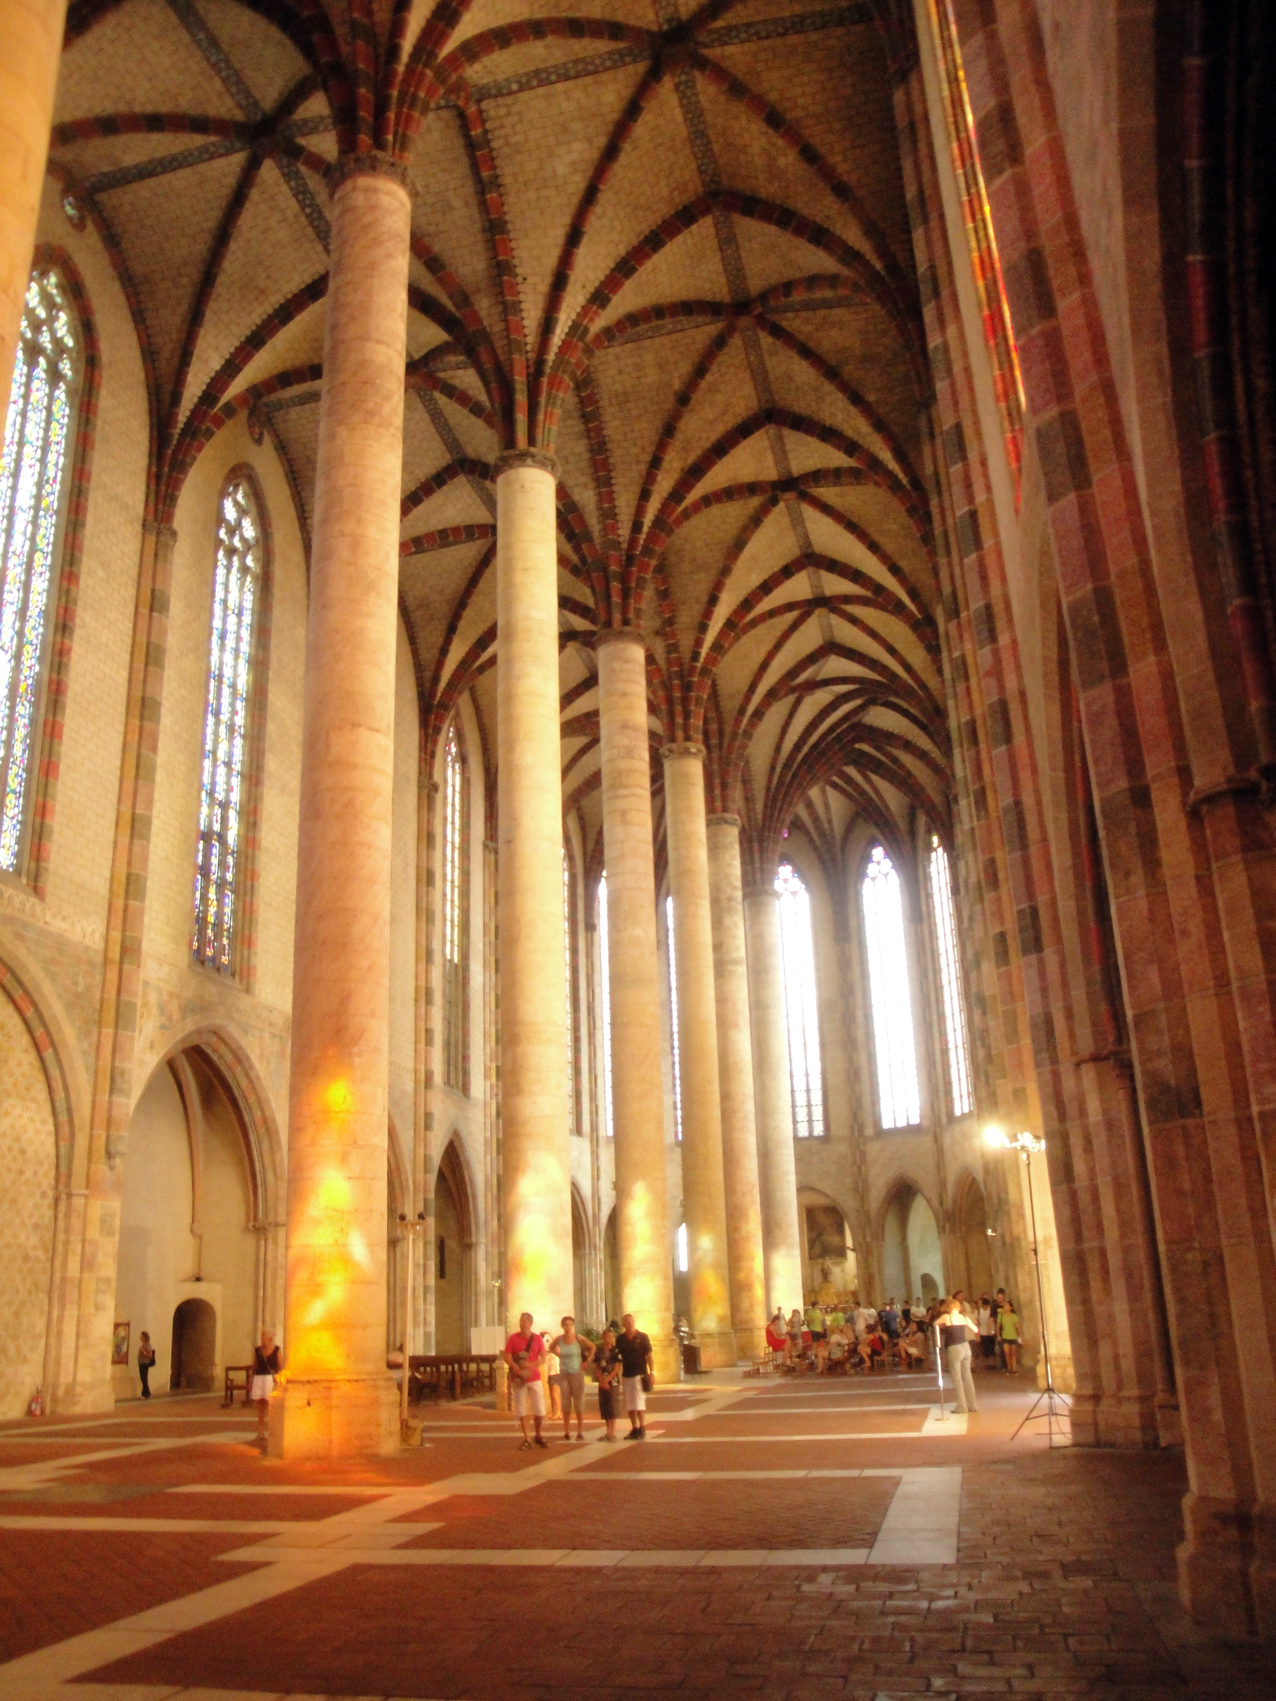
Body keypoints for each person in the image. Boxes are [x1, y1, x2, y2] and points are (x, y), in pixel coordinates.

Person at [502, 1310, 549, 1449]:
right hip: (519, 1378)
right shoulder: (513, 1338)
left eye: (524, 1321)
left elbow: (543, 1357)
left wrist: (531, 1365)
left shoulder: (537, 1339)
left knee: (540, 1409)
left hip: (533, 1377)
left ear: (530, 1323)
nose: (521, 1323)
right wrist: (515, 1368)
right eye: (520, 1321)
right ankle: (527, 1438)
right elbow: (507, 1356)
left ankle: (538, 1434)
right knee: (521, 1408)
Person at [550, 1316, 593, 1441]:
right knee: (566, 1403)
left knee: (578, 1402)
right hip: (564, 1374)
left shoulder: (578, 1338)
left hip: (577, 1373)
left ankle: (580, 1431)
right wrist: (558, 1355)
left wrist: (587, 1361)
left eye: (570, 1325)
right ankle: (567, 1431)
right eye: (565, 1325)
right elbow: (551, 1347)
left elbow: (592, 1347)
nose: (568, 1327)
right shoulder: (559, 1339)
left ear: (572, 1326)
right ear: (562, 1326)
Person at [617, 1312, 654, 1439]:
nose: (630, 1324)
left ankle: (642, 1427)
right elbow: (617, 1358)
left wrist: (652, 1372)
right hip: (627, 1374)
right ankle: (634, 1428)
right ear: (623, 1324)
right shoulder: (620, 1339)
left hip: (640, 1374)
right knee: (629, 1403)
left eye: (632, 1322)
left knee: (639, 1402)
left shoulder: (643, 1337)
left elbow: (649, 1356)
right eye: (627, 1322)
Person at [940, 1295, 979, 1414]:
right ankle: (972, 1405)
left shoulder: (947, 1317)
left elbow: (935, 1323)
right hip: (965, 1347)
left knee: (957, 1378)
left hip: (954, 1347)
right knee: (967, 1376)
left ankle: (962, 1406)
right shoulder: (964, 1317)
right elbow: (976, 1330)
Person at [250, 1330, 280, 1445]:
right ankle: (260, 1431)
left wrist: (279, 1380)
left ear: (270, 1339)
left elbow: (280, 1367)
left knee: (271, 1407)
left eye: (264, 1338)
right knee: (261, 1407)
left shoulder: (277, 1350)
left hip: (270, 1380)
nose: (263, 1340)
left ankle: (272, 1432)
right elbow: (254, 1365)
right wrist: (251, 1380)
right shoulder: (258, 1351)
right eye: (261, 1338)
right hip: (259, 1379)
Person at [593, 1327, 623, 1441]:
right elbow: (596, 1368)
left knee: (612, 1406)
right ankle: (607, 1432)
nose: (609, 1339)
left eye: (611, 1337)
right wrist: (601, 1380)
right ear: (603, 1337)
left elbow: (616, 1368)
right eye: (607, 1337)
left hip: (613, 1383)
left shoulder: (616, 1351)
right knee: (605, 1406)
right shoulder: (599, 1351)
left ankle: (613, 1433)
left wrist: (607, 1380)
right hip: (602, 1383)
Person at [998, 1296, 1021, 1374]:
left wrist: (1021, 1336)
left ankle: (1014, 1369)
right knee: (1007, 1353)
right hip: (1005, 1336)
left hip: (1013, 1336)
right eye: (1005, 1306)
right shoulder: (1001, 1315)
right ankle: (1009, 1368)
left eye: (1007, 1306)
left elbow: (1018, 1326)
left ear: (1010, 1307)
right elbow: (998, 1326)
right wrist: (998, 1335)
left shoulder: (1014, 1316)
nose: (1005, 1307)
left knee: (1013, 1353)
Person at [543, 1331, 562, 1420]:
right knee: (551, 1393)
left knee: (555, 1393)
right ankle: (554, 1411)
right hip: (550, 1372)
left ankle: (558, 1412)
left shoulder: (557, 1352)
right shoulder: (548, 1354)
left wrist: (549, 1334)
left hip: (555, 1372)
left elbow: (556, 1344)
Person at [977, 1296, 997, 1366]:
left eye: (980, 1302)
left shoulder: (991, 1310)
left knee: (992, 1347)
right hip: (983, 1331)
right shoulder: (979, 1311)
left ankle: (993, 1363)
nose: (979, 1304)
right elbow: (978, 1322)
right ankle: (986, 1363)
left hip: (991, 1331)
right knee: (984, 1348)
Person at [137, 1331, 156, 1400]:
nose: (140, 1338)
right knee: (143, 1379)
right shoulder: (144, 1344)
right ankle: (144, 1393)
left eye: (141, 1336)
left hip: (144, 1363)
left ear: (145, 1337)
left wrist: (143, 1352)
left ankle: (147, 1394)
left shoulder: (147, 1345)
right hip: (142, 1363)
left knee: (144, 1379)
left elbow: (149, 1355)